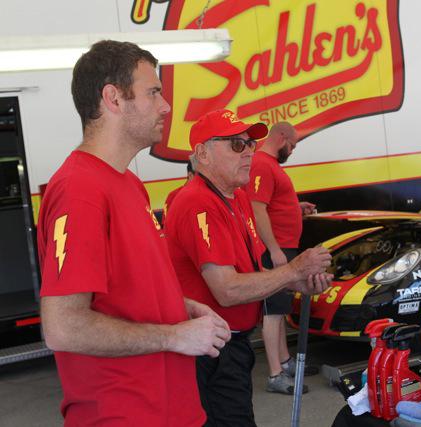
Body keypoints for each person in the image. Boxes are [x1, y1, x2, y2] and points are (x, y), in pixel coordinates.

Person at [37, 40, 231, 426]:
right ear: (113, 98)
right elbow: (63, 327)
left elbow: (128, 291)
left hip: (173, 410)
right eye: (153, 92)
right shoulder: (79, 190)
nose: (166, 106)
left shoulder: (129, 184)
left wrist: (181, 308)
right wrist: (174, 336)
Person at [163, 109, 333, 427]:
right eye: (236, 145)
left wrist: (298, 283)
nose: (249, 152)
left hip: (232, 344)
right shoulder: (197, 202)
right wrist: (294, 270)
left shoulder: (237, 198)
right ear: (203, 154)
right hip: (209, 350)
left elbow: (251, 273)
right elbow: (227, 290)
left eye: (250, 144)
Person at [244, 122, 317, 394]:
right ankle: (275, 375)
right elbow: (257, 208)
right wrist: (273, 249)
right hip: (276, 250)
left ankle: (285, 363)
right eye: (293, 145)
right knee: (273, 312)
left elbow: (270, 203)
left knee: (280, 308)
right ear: (282, 137)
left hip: (283, 247)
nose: (293, 150)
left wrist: (296, 207)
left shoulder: (269, 165)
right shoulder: (262, 164)